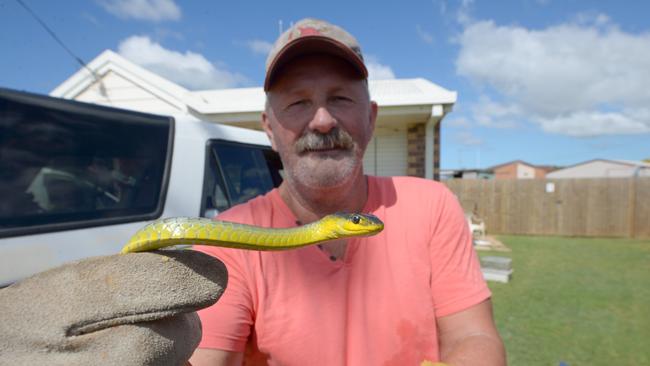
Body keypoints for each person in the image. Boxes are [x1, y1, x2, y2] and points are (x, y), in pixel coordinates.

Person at [190, 18, 506, 366]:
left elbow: (474, 336)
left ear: (371, 117)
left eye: (340, 98)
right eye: (298, 103)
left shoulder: (433, 206)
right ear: (269, 127)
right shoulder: (227, 238)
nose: (322, 121)